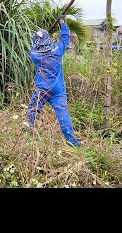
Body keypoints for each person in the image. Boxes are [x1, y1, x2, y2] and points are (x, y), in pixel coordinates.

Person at [25, 14, 81, 147]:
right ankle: (73, 142)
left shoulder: (34, 54)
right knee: (63, 114)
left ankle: (27, 135)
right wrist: (62, 23)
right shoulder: (58, 50)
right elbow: (65, 38)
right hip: (58, 89)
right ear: (49, 41)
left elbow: (35, 46)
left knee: (32, 110)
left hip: (42, 89)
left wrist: (41, 38)